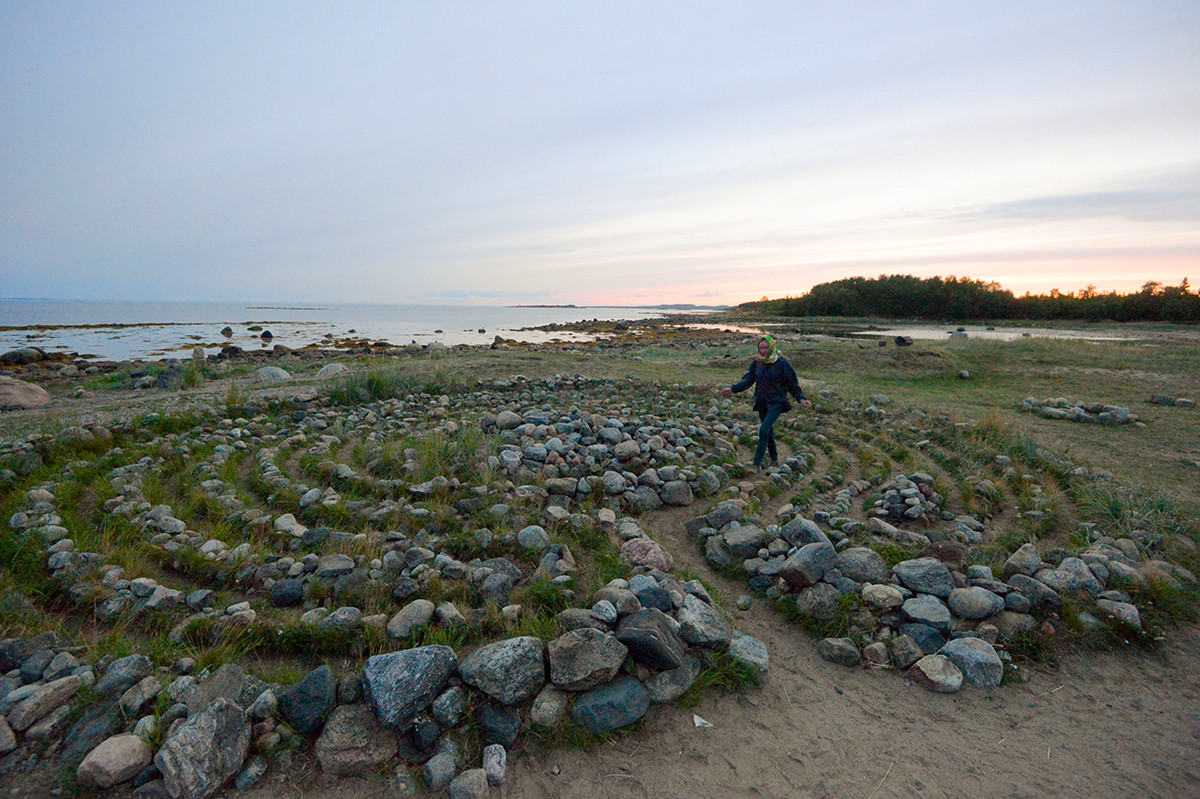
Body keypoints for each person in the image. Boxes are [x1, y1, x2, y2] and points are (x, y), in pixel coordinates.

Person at [721, 334, 811, 470]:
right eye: (760, 348)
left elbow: (792, 384)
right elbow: (748, 380)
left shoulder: (782, 363)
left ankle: (756, 464)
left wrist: (801, 398)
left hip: (777, 402)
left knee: (763, 430)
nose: (763, 351)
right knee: (768, 432)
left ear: (772, 347)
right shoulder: (757, 363)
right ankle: (774, 459)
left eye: (765, 347)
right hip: (762, 401)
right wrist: (733, 389)